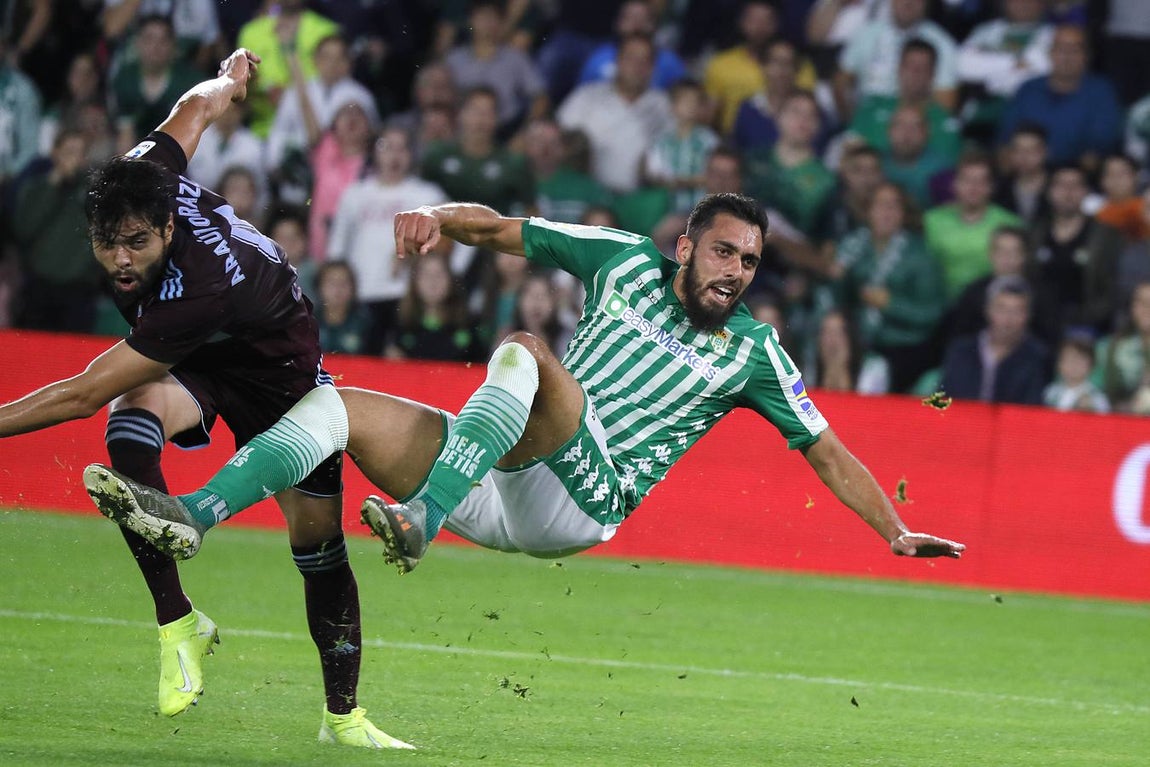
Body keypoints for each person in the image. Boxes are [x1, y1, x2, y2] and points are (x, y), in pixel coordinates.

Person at [83, 194, 965, 628]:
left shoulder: (755, 352)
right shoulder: (620, 259)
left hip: (585, 494)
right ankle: (192, 514)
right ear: (688, 246)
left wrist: (892, 528)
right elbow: (499, 227)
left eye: (752, 262)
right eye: (725, 252)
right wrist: (435, 212)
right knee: (334, 405)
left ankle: (422, 517)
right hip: (500, 468)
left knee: (533, 356)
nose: (736, 273)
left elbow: (826, 450)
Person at [0, 48, 409, 749]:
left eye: (136, 243)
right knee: (131, 425)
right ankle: (179, 620)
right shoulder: (146, 173)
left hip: (280, 374)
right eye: (107, 244)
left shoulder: (194, 289)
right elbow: (196, 108)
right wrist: (232, 78)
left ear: (164, 229)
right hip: (207, 360)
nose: (121, 258)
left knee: (318, 546)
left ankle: (343, 716)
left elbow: (81, 392)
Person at [328, 127, 448, 354]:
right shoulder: (355, 194)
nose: (395, 155)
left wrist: (419, 257)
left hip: (406, 296)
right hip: (360, 293)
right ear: (375, 152)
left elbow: (453, 240)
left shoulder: (427, 195)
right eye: (387, 147)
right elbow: (337, 246)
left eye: (402, 148)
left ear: (411, 154)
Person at [557, 33, 673, 194]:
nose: (637, 66)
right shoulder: (586, 97)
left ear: (653, 67)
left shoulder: (663, 105)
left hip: (637, 197)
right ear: (618, 61)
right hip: (586, 194)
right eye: (630, 58)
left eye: (645, 61)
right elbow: (559, 137)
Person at [996, 25, 1122, 170]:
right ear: (1050, 53)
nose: (1067, 56)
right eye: (1060, 49)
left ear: (1087, 56)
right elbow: (1005, 141)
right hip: (1026, 172)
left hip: (1076, 179)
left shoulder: (1102, 92)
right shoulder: (1028, 89)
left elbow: (1098, 149)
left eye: (1074, 50)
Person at [940, 275, 1050, 405]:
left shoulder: (1037, 356)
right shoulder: (961, 350)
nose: (1008, 319)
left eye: (1017, 311)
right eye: (1001, 309)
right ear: (988, 310)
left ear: (1028, 315)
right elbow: (944, 397)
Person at [1043, 334, 1109, 413]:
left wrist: (1090, 411)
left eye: (1079, 361)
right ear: (1059, 364)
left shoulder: (1097, 397)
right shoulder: (1051, 392)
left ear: (1091, 366)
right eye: (1069, 360)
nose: (1074, 365)